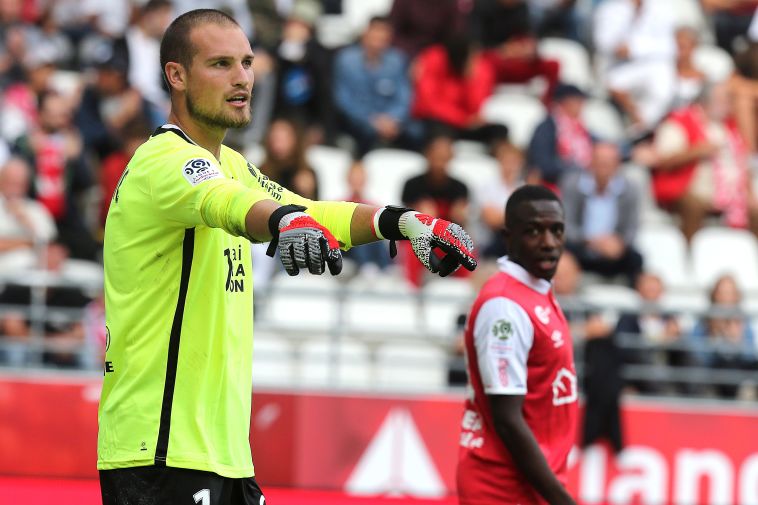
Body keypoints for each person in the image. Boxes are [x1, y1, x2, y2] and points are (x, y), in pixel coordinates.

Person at [97, 9, 478, 505]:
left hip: (221, 455)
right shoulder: (166, 162)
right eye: (220, 64)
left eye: (247, 63)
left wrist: (401, 221)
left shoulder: (229, 163)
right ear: (177, 75)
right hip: (160, 452)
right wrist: (282, 222)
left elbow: (312, 211)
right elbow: (228, 203)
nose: (241, 79)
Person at [457, 185, 577, 505]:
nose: (549, 243)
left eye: (557, 230)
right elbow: (508, 420)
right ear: (508, 237)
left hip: (530, 485)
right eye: (534, 231)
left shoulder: (535, 291)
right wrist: (562, 500)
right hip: (501, 487)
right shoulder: (504, 307)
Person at [651, 81, 758, 241]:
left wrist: (749, 194)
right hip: (689, 189)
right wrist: (696, 151)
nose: (729, 104)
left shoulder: (731, 127)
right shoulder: (679, 122)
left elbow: (744, 165)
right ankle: (689, 255)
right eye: (725, 99)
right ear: (707, 100)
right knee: (694, 205)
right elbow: (662, 161)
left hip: (732, 193)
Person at [333, 16, 418, 156]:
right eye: (376, 33)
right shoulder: (346, 59)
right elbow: (343, 99)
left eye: (383, 35)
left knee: (416, 133)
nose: (378, 39)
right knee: (365, 132)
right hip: (358, 120)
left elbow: (404, 96)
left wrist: (392, 119)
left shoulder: (397, 60)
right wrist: (371, 120)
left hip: (390, 121)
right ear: (365, 33)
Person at [561, 141, 643, 287]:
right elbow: (566, 224)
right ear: (591, 162)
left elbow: (632, 227)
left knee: (636, 259)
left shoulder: (629, 189)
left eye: (608, 163)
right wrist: (591, 241)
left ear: (617, 165)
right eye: (600, 162)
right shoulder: (573, 185)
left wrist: (619, 244)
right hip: (581, 247)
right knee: (562, 254)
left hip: (614, 250)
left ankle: (632, 309)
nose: (603, 168)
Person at [527, 83, 592, 188]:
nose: (581, 105)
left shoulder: (579, 128)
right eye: (578, 101)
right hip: (553, 186)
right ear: (565, 103)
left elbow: (601, 144)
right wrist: (576, 167)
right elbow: (543, 164)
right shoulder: (547, 129)